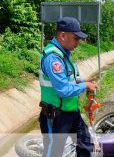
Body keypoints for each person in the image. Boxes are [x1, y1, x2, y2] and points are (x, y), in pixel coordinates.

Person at [39, 17, 97, 157]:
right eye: (76, 38)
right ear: (63, 35)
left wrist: (84, 82)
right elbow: (63, 89)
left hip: (71, 112)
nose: (78, 42)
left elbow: (68, 80)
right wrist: (85, 85)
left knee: (85, 144)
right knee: (54, 153)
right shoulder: (53, 58)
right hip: (56, 116)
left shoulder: (64, 54)